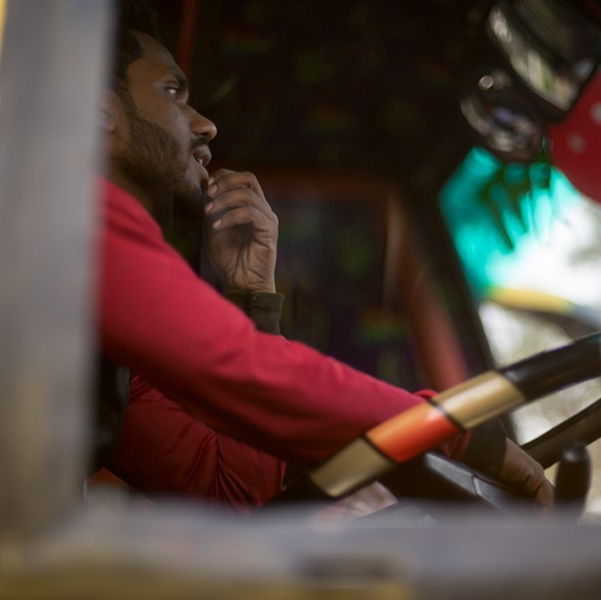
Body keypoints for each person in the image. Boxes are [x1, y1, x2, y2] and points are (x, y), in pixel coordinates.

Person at [94, 1, 554, 511]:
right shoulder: (69, 217)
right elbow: (246, 374)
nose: (206, 126)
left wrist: (252, 296)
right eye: (173, 92)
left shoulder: (113, 357)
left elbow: (232, 492)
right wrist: (461, 437)